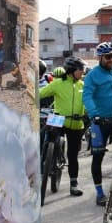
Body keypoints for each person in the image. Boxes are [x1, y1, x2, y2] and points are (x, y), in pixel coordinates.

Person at [82, 41, 112, 206]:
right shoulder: (93, 75)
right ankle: (100, 192)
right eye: (108, 57)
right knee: (98, 156)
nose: (111, 60)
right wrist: (95, 115)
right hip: (101, 119)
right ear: (100, 57)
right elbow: (87, 96)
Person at [39, 57, 87, 197]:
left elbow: (89, 101)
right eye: (80, 70)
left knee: (73, 155)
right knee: (46, 137)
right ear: (72, 71)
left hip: (76, 123)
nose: (82, 73)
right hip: (59, 119)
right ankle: (47, 161)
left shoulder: (82, 86)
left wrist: (88, 113)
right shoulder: (57, 84)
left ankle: (74, 184)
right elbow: (40, 94)